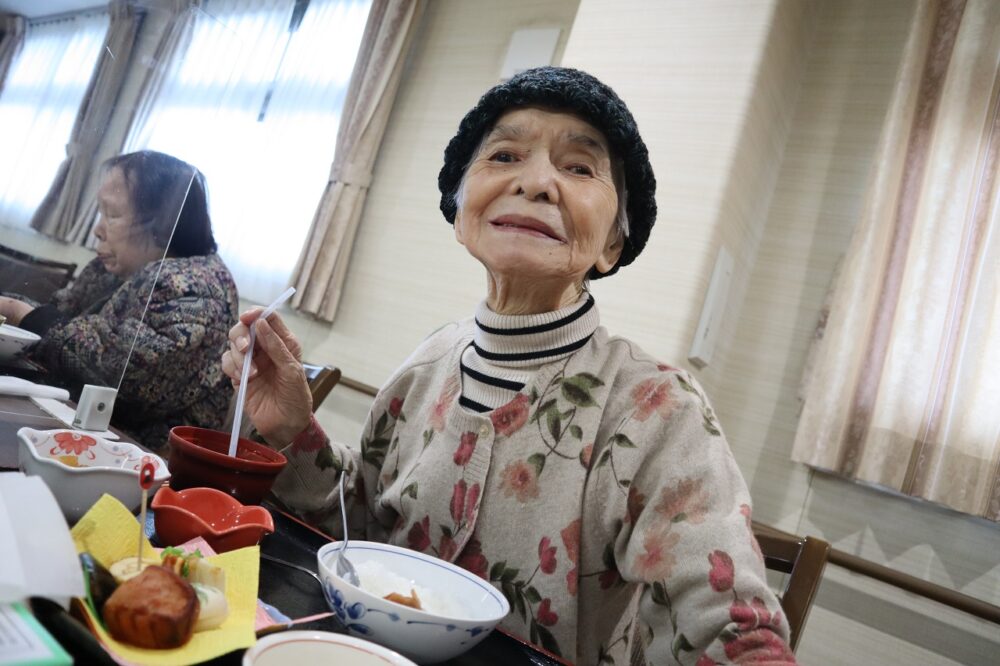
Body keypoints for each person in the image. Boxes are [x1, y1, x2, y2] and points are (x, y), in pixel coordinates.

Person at [222, 68, 795, 665]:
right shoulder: (428, 363)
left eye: (578, 167)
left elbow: (729, 630)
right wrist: (292, 428)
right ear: (460, 207)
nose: (537, 181)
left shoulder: (658, 408)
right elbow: (359, 526)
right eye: (505, 155)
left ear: (612, 245)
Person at [0, 150, 238, 450]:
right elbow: (58, 314)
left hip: (137, 459)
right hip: (71, 422)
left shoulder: (199, 289)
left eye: (111, 215)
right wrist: (11, 307)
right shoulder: (118, 267)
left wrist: (23, 313)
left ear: (161, 226)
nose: (97, 229)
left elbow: (123, 375)